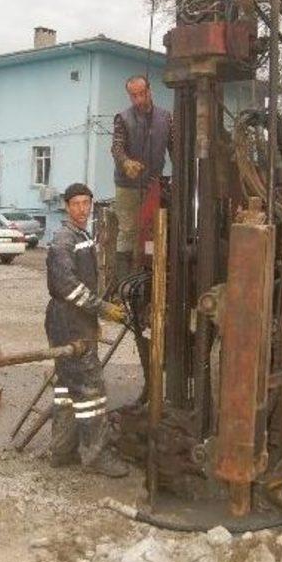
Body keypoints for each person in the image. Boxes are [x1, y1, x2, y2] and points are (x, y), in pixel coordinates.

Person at [45, 183, 129, 477]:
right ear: (67, 206)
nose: (82, 208)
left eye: (86, 203)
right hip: (69, 319)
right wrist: (102, 308)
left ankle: (61, 450)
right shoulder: (63, 240)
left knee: (68, 388)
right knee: (92, 391)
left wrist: (95, 316)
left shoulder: (82, 236)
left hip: (74, 319)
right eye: (76, 203)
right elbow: (68, 286)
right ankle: (96, 456)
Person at [111, 75, 173, 280]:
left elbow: (175, 150)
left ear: (150, 91)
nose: (138, 100)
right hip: (127, 185)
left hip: (153, 184)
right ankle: (122, 284)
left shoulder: (166, 118)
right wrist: (126, 162)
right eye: (133, 96)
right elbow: (117, 148)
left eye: (142, 94)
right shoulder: (123, 118)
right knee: (128, 230)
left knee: (151, 232)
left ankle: (145, 279)